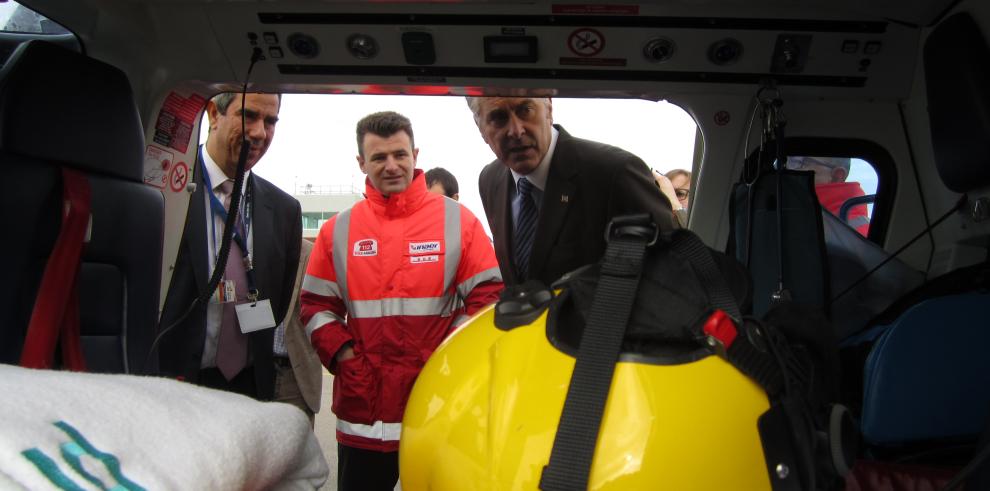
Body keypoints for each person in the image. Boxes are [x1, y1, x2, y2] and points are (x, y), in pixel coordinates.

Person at [300, 111, 503, 490]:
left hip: (438, 406)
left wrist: (448, 356)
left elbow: (488, 298)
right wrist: (345, 357)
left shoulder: (459, 222)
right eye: (379, 158)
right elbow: (315, 306)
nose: (392, 166)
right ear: (361, 162)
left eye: (400, 154)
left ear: (416, 154)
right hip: (364, 413)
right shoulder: (337, 231)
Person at [158, 92, 302, 400]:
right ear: (213, 114)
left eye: (270, 121)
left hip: (248, 388)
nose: (260, 132)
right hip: (172, 386)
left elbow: (275, 304)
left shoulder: (284, 210)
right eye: (249, 116)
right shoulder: (165, 189)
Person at [467, 96, 675, 286]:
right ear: (480, 127)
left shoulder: (615, 173)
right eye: (498, 118)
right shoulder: (490, 180)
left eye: (525, 110)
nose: (516, 130)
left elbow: (669, 275)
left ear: (548, 107)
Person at [276, 238, 323, 426]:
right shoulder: (249, 248)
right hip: (252, 372)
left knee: (296, 449)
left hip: (293, 375)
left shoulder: (312, 254)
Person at [786, 156, 870, 236]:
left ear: (837, 176)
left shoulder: (860, 232)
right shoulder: (790, 209)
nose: (788, 168)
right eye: (790, 160)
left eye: (802, 162)